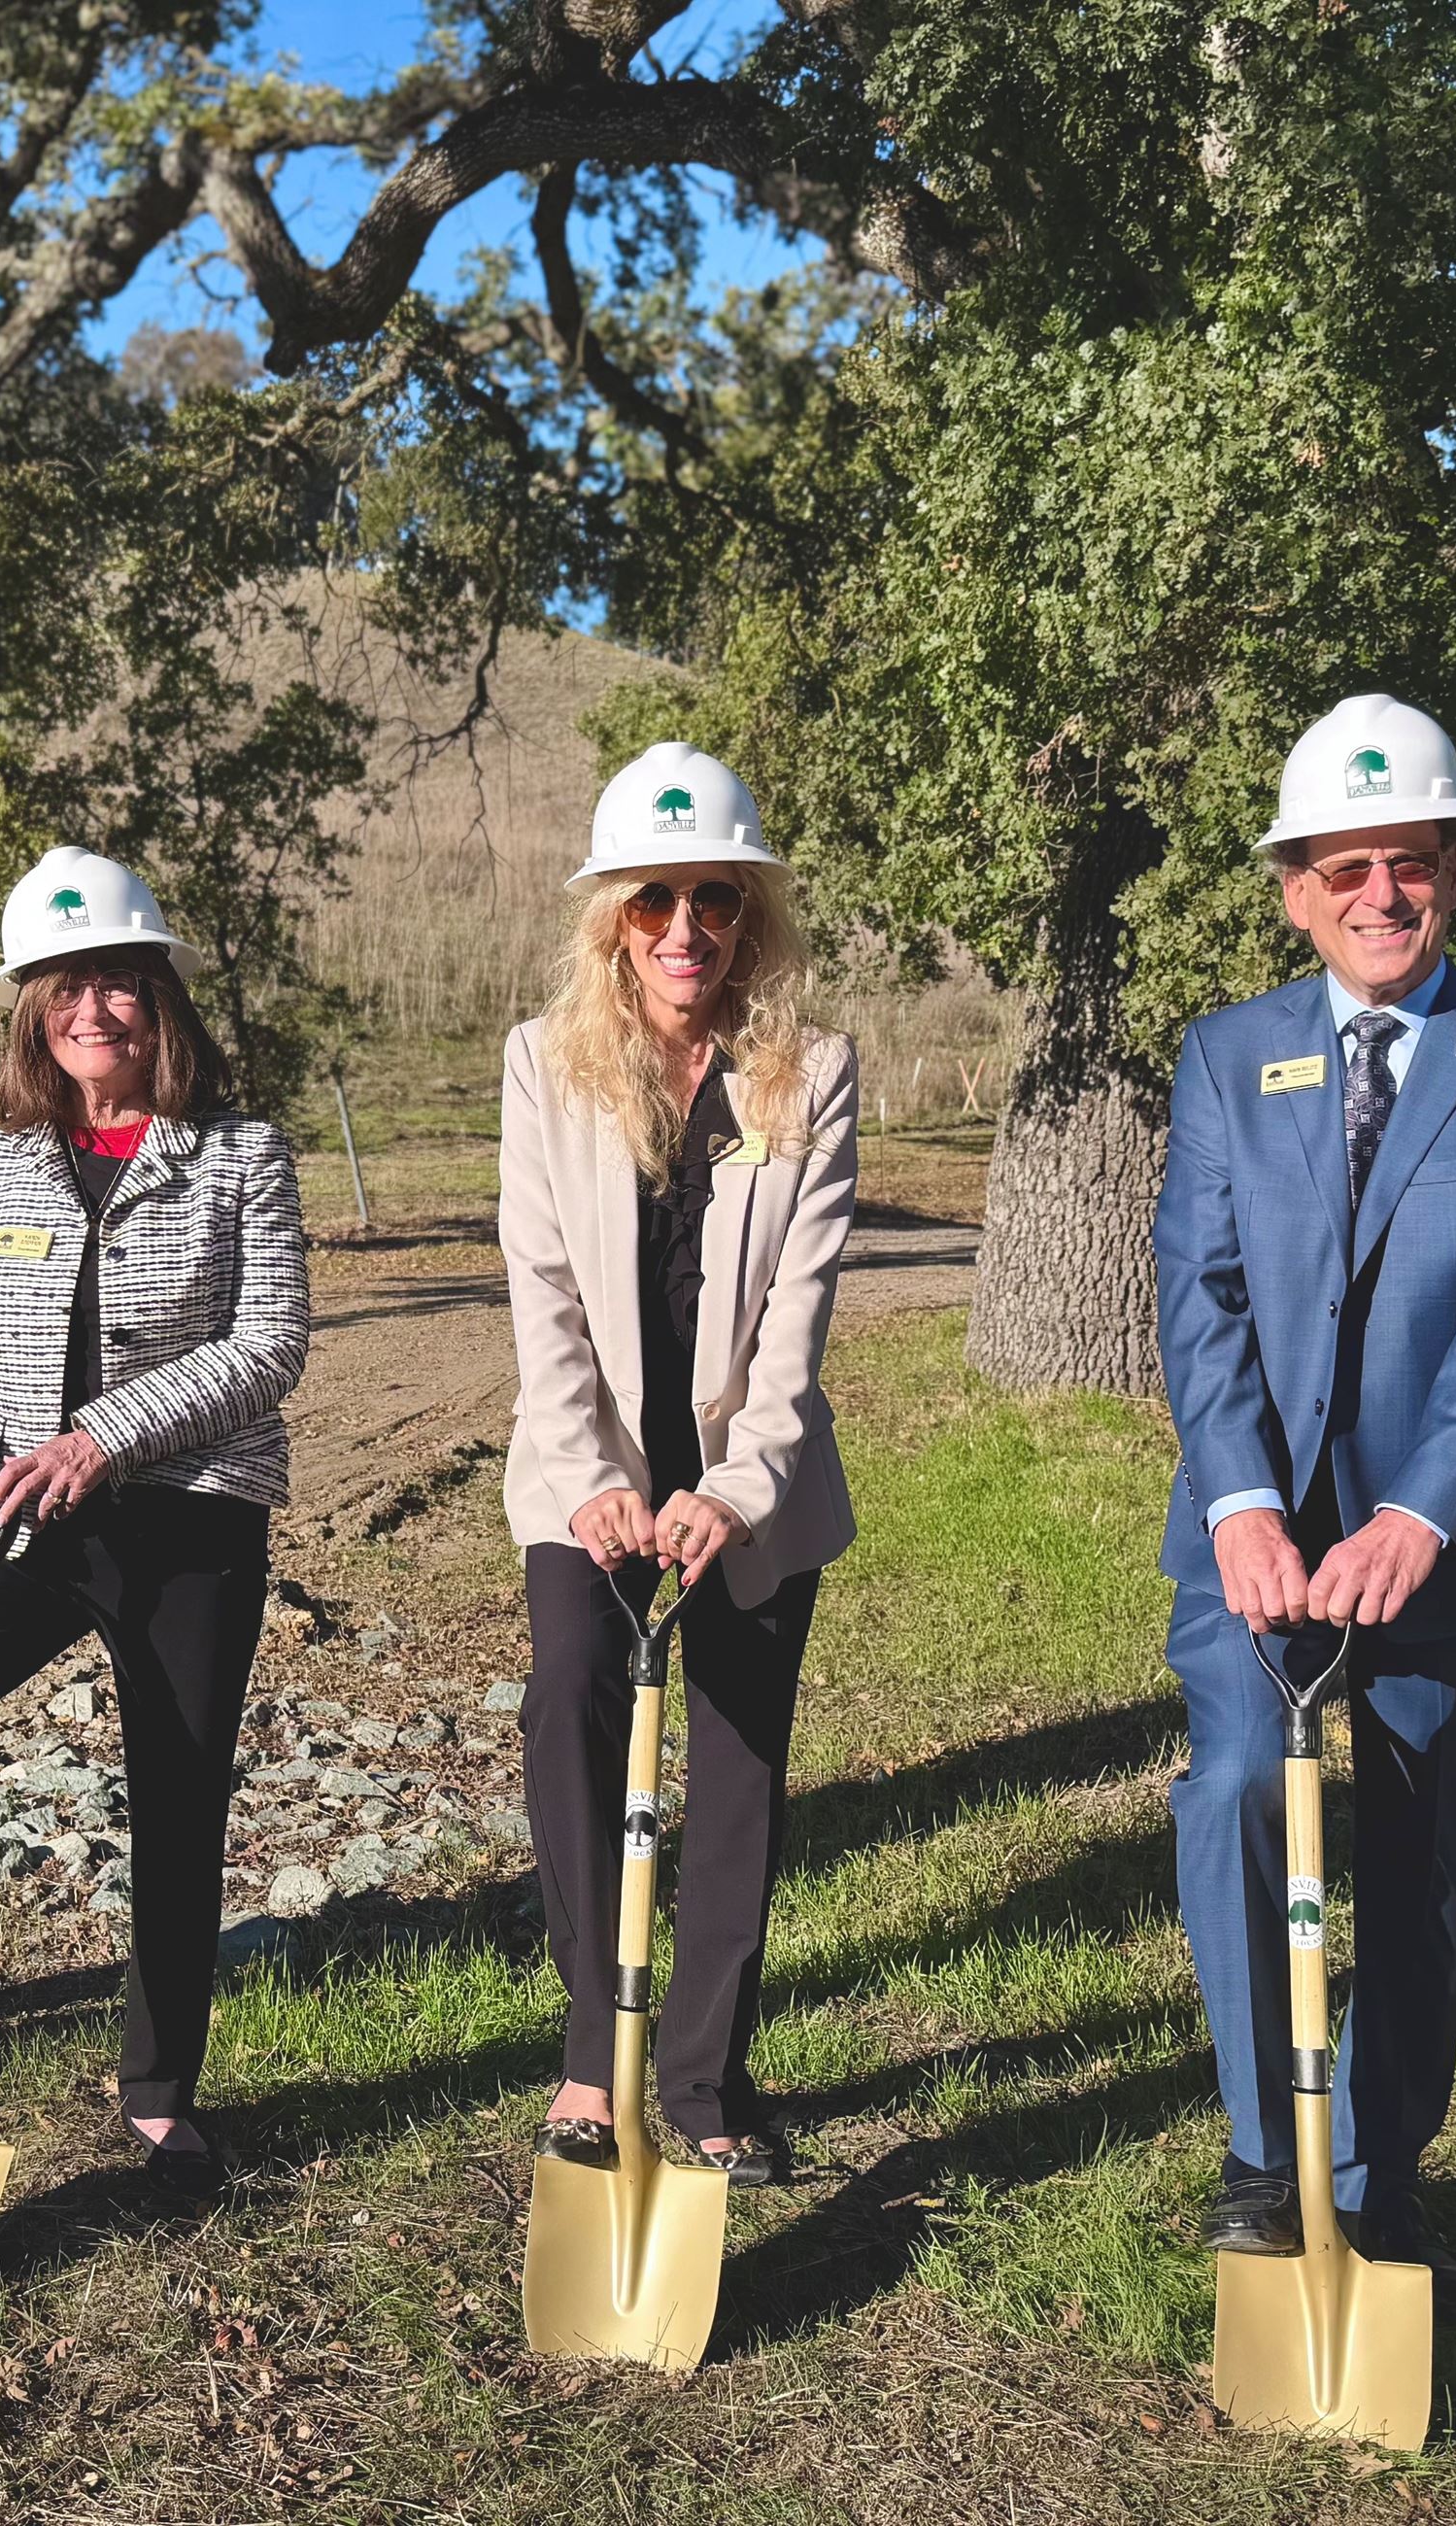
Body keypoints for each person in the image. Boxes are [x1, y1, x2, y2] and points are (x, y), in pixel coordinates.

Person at [1156, 693, 1456, 2313]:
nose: (1380, 894)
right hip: (1255, 1541)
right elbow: (1201, 1293)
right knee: (1232, 1792)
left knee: (1421, 1855)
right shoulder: (1227, 1056)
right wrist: (1243, 1504)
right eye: (1344, 867)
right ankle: (1264, 2156)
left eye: (1409, 860)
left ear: (1453, 872)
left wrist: (1417, 1515)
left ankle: (1372, 2172)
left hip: (1445, 1546)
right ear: (1296, 889)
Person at [0, 845, 309, 2192]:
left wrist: (105, 1437)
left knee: (176, 1798)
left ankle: (160, 2091)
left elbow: (268, 1345)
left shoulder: (240, 1154)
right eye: (62, 987)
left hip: (191, 1519)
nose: (92, 1011)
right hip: (21, 1520)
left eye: (117, 983)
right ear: (29, 1011)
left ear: (162, 999)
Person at [497, 741, 860, 2187]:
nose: (685, 929)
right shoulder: (545, 1064)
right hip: (585, 1473)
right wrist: (596, 1477)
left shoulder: (810, 1074)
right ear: (613, 920)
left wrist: (737, 1489)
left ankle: (705, 2076)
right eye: (654, 900)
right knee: (572, 1701)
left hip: (749, 1485)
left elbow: (797, 1318)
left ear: (750, 913)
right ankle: (598, 2051)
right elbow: (542, 1292)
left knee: (738, 1763)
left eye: (714, 898)